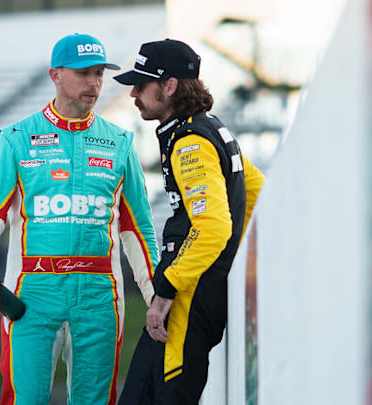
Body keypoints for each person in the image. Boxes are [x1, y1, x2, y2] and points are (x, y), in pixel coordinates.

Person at [0, 33, 160, 405]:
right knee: (26, 398)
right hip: (33, 291)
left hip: (100, 294)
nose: (94, 83)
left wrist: (156, 296)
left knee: (96, 400)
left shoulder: (120, 142)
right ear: (55, 74)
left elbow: (138, 227)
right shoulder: (16, 137)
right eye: (84, 73)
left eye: (99, 73)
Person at [113, 39, 265, 404]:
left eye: (142, 83)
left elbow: (213, 226)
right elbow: (254, 193)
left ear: (170, 86)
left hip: (188, 297)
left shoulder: (190, 140)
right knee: (139, 393)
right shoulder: (209, 127)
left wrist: (166, 292)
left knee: (167, 394)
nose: (133, 93)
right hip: (198, 290)